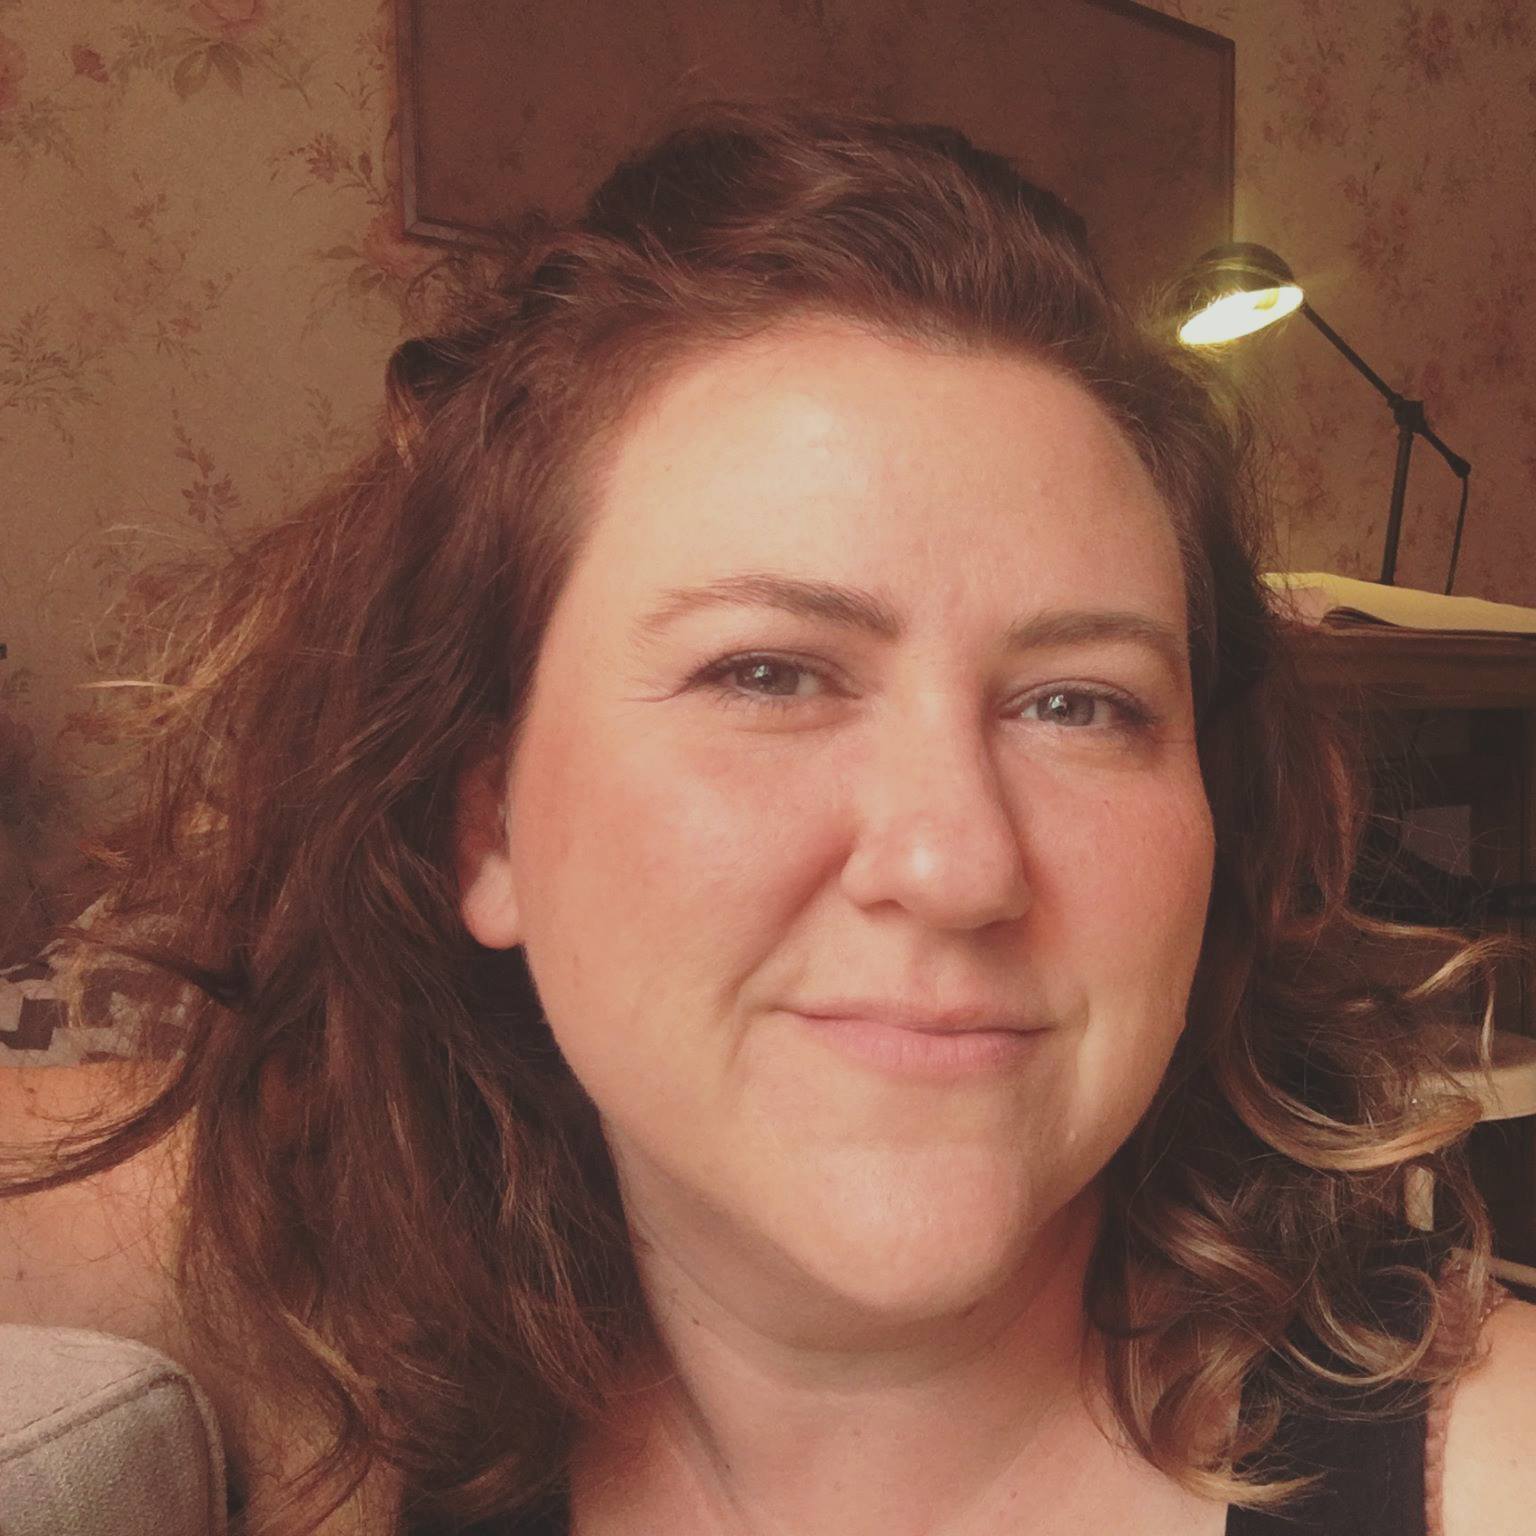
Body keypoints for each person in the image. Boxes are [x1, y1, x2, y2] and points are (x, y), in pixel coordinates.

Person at [2, 103, 1534, 1536]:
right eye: (768, 674)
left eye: (1080, 703)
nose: (957, 863)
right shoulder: (331, 1360)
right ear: (488, 828)